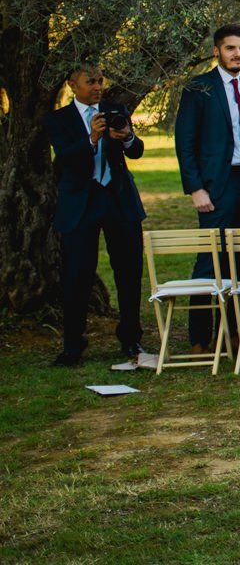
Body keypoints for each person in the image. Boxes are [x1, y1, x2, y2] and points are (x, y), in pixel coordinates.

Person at [46, 66, 147, 367]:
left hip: (118, 199)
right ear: (72, 85)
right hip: (81, 202)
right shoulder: (59, 119)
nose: (97, 87)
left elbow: (136, 151)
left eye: (100, 81)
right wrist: (91, 139)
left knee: (129, 272)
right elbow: (65, 158)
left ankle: (131, 337)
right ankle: (73, 344)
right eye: (90, 81)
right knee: (77, 275)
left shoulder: (116, 110)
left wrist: (127, 137)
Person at [175, 24, 240, 353]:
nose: (238, 54)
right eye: (231, 48)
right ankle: (199, 337)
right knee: (209, 261)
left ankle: (233, 333)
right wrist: (195, 188)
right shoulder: (199, 88)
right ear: (217, 51)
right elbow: (185, 142)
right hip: (215, 186)